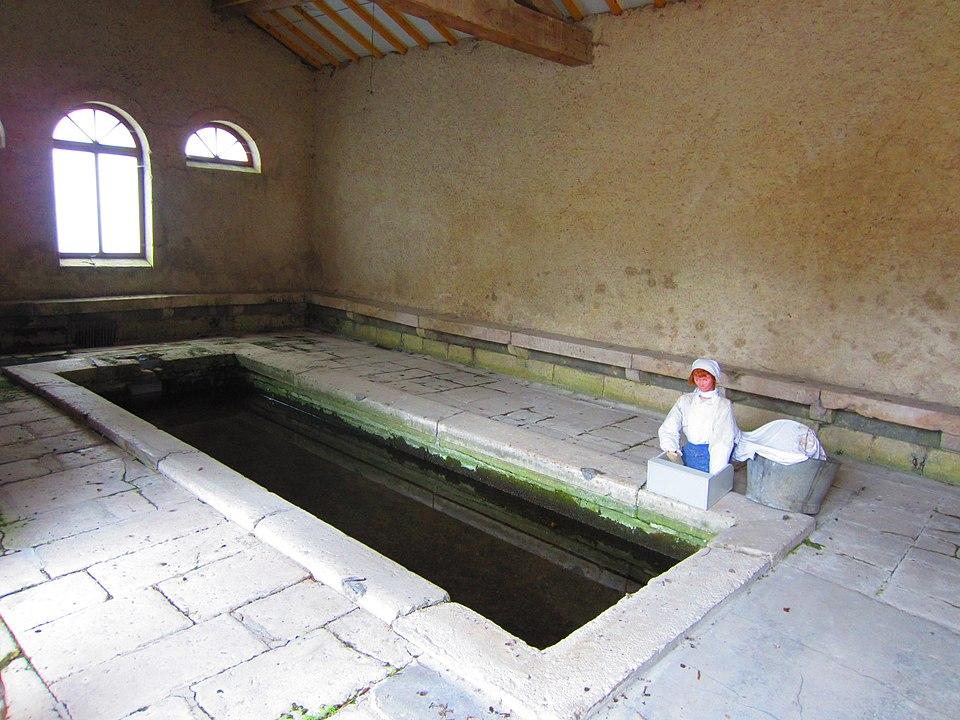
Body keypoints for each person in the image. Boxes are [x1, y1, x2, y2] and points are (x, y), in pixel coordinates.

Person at [658, 358, 739, 474]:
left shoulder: (723, 405)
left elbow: (723, 440)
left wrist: (715, 473)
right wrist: (671, 448)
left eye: (705, 379)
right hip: (689, 452)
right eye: (697, 379)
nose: (701, 382)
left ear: (713, 378)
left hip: (709, 456)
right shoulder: (686, 400)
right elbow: (670, 424)